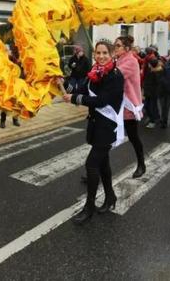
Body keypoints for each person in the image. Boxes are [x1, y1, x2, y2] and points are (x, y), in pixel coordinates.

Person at [63, 40, 124, 224]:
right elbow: (80, 89)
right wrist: (64, 83)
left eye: (105, 52)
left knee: (91, 164)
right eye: (98, 53)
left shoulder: (115, 75)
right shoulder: (94, 73)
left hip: (107, 126)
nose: (101, 56)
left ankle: (89, 207)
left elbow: (102, 101)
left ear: (112, 54)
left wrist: (75, 98)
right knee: (103, 164)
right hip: (96, 125)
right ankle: (110, 197)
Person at [114, 36, 146, 178]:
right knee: (105, 137)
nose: (115, 48)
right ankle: (95, 167)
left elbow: (115, 76)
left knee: (133, 137)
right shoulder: (120, 59)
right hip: (117, 105)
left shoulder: (131, 61)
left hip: (128, 106)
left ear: (126, 48)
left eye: (118, 45)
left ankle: (141, 164)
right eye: (115, 45)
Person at [142, 58, 163, 128]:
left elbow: (157, 83)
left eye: (149, 63)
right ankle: (155, 118)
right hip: (148, 93)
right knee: (148, 106)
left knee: (152, 107)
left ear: (151, 65)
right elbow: (146, 81)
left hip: (153, 93)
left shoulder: (157, 72)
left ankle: (153, 121)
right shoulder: (150, 70)